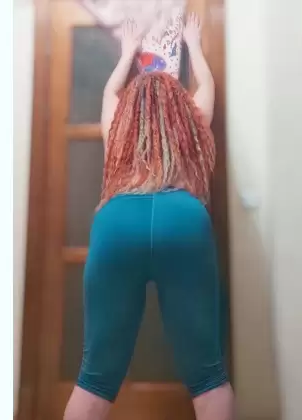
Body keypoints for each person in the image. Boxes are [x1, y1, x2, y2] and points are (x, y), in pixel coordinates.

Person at [63, 13, 236, 420]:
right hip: (183, 219)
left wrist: (127, 53)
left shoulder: (118, 126)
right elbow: (207, 87)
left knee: (95, 379)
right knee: (209, 378)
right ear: (178, 105)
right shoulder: (191, 120)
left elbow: (110, 92)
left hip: (118, 221)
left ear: (130, 108)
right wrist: (194, 45)